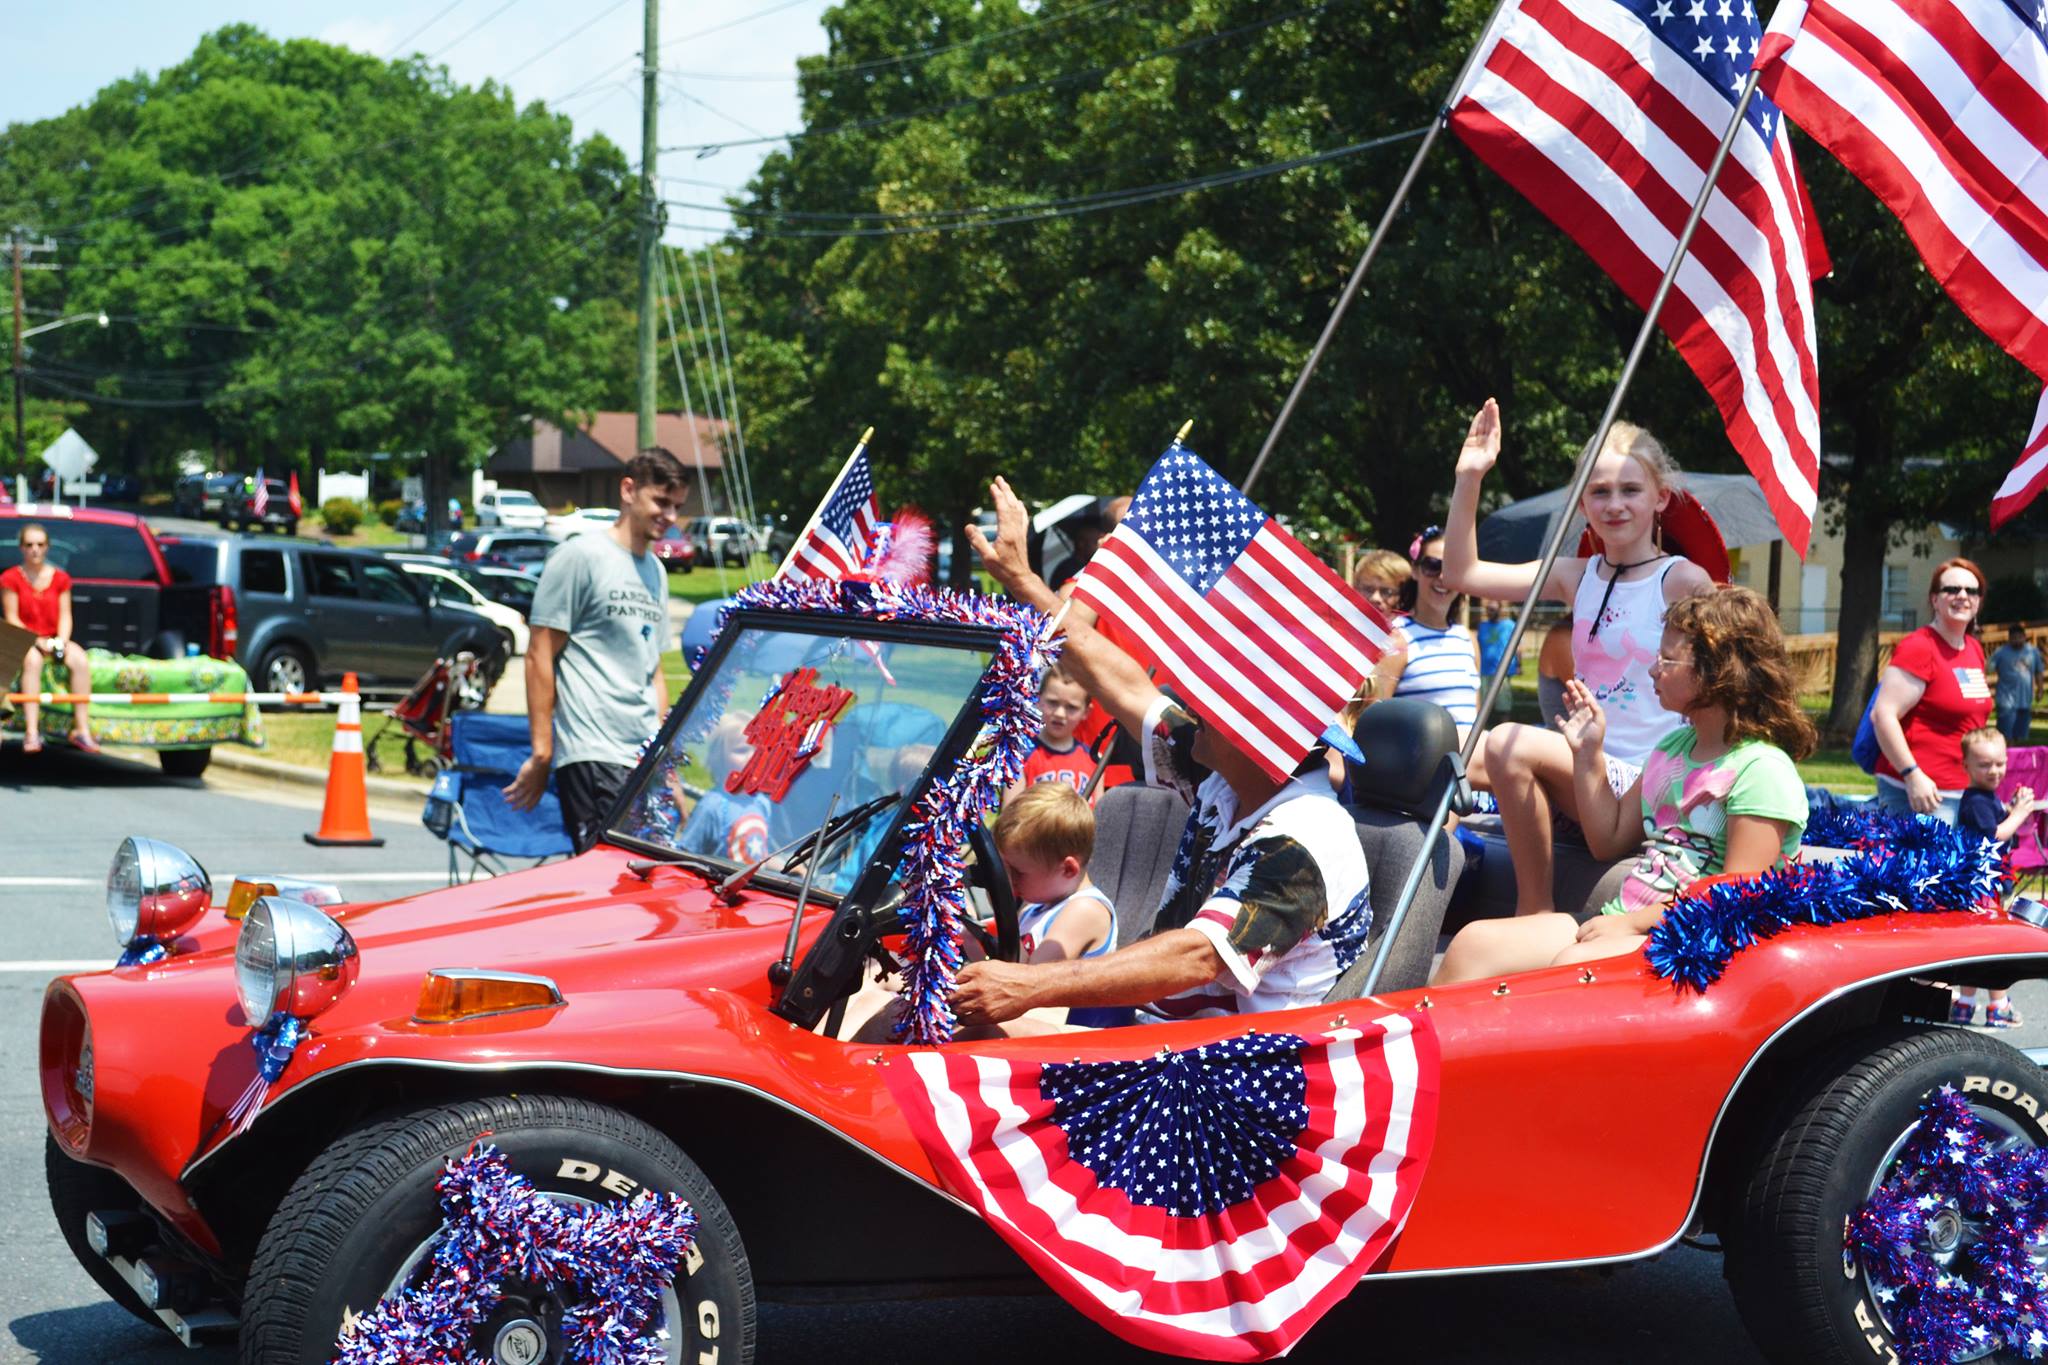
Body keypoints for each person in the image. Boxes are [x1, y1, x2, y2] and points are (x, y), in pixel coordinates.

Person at [943, 476, 1372, 1035]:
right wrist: (1025, 581)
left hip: (1231, 1075)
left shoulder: (1303, 841)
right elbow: (1120, 681)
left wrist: (1026, 986)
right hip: (1160, 1036)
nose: (1187, 698)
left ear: (1255, 734)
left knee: (940, 1027)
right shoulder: (1229, 782)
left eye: (1213, 697)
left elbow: (1198, 957)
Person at [1435, 586, 1813, 983]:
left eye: (1668, 659)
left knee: (1573, 966)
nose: (1653, 669)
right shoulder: (1671, 749)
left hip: (1691, 942)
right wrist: (1588, 755)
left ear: (1721, 672)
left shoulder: (1762, 769)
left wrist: (1635, 924)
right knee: (1474, 944)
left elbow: (1735, 895)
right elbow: (1608, 839)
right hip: (1626, 921)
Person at [1442, 398, 1714, 915]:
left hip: (1648, 780)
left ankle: (1534, 911)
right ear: (1582, 504)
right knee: (1445, 741)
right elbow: (1461, 574)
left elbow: (1721, 686)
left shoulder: (1682, 580)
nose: (1615, 504)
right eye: (1600, 492)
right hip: (1589, 765)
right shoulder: (1577, 575)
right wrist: (1470, 477)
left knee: (1506, 742)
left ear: (1661, 498)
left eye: (1631, 490)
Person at [504, 448, 687, 851]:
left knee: (641, 889)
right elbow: (539, 654)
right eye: (661, 501)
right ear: (628, 489)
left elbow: (652, 669)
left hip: (640, 757)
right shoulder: (580, 556)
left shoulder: (655, 570)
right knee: (609, 882)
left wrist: (664, 761)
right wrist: (542, 750)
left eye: (676, 506)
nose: (670, 517)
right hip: (593, 751)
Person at [1869, 558, 1994, 824]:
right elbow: (1883, 715)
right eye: (1952, 589)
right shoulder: (1920, 647)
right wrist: (1912, 774)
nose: (1962, 596)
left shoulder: (1973, 648)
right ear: (1935, 599)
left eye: (1971, 591)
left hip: (1964, 792)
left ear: (1979, 602)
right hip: (1920, 795)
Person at [1951, 725, 2037, 1028]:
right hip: (1982, 886)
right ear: (1966, 766)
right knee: (1992, 944)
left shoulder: (1986, 798)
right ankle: (1997, 1006)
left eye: (2000, 763)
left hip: (1988, 881)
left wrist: (2012, 808)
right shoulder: (1975, 800)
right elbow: (1994, 836)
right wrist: (2019, 814)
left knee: (1979, 944)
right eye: (1984, 764)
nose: (1994, 771)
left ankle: (1965, 1003)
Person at [1, 522, 98, 754]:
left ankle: (81, 728)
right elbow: (12, 617)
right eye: (29, 544)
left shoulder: (61, 578)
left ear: (47, 547)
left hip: (53, 636)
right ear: (22, 548)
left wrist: (61, 641)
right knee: (32, 661)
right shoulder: (10, 578)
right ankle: (32, 732)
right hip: (24, 637)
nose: (35, 549)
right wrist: (36, 641)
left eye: (40, 544)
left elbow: (66, 615)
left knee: (80, 659)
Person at [1385, 526, 1482, 743]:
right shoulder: (1396, 638)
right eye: (1432, 566)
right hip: (1420, 768)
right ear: (1415, 570)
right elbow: (1373, 720)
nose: (1443, 576)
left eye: (1453, 567)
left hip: (1465, 768)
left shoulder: (1468, 640)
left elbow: (1474, 719)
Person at [1013, 665, 1094, 795]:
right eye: (1053, 702)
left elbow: (1097, 814)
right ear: (1038, 700)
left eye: (1071, 707)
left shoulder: (1092, 760)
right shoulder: (1021, 755)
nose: (1060, 713)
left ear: (1086, 711)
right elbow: (1010, 812)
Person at [1989, 624, 2043, 746]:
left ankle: (2016, 761)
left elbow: (2038, 672)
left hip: (2025, 701)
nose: (2017, 640)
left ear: (2025, 637)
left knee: (2020, 735)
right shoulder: (2001, 652)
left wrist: (2040, 690)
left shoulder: (2032, 651)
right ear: (2009, 638)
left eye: (2020, 637)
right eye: (2014, 638)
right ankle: (2007, 760)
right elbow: (1988, 669)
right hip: (2006, 700)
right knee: (2006, 736)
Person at [1477, 600, 1521, 718]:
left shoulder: (1509, 625)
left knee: (1504, 704)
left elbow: (1517, 646)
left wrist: (1518, 665)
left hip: (1502, 670)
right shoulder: (1482, 626)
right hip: (1484, 670)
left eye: (1492, 609)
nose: (1489, 612)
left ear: (1499, 609)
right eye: (1488, 610)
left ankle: (1504, 727)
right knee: (1482, 704)